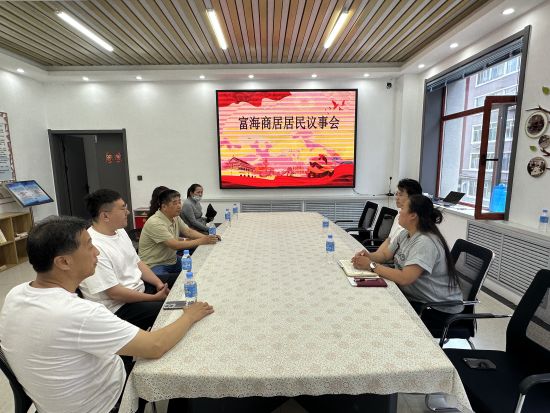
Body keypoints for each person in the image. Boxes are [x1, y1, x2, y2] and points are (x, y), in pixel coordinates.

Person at [0, 216, 213, 413]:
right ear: (63, 262)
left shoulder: (16, 294)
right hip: (108, 402)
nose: (97, 253)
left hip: (55, 401)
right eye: (89, 246)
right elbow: (155, 346)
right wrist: (189, 316)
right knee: (181, 371)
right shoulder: (78, 313)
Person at [352, 194, 463, 325]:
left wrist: (371, 265)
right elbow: (385, 255)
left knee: (378, 316)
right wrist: (369, 256)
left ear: (413, 215)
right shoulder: (406, 233)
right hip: (417, 298)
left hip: (436, 309)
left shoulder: (425, 242)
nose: (399, 211)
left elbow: (405, 278)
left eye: (403, 208)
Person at [80, 189, 177, 332]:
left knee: (181, 279)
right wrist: (154, 298)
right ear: (105, 216)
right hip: (118, 307)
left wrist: (158, 283)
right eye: (123, 208)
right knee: (173, 311)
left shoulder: (119, 231)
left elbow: (137, 262)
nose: (128, 212)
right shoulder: (93, 246)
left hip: (138, 288)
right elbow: (114, 293)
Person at [139, 189, 219, 275]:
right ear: (164, 206)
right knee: (175, 281)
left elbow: (188, 231)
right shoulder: (155, 222)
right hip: (154, 265)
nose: (179, 206)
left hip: (172, 260)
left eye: (179, 202)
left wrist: (208, 237)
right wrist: (202, 241)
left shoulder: (175, 217)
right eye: (175, 203)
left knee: (198, 270)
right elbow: (175, 245)